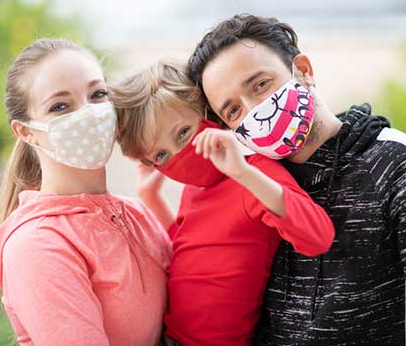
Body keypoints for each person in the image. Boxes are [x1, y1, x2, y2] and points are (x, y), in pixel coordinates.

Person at [187, 14, 406, 345]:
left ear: (303, 70)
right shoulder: (254, 189)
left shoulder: (398, 164)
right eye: (233, 111)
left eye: (260, 85)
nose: (254, 111)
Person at [109, 61, 334, 346]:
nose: (179, 155)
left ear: (210, 117)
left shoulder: (254, 173)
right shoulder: (195, 190)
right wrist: (152, 198)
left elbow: (318, 236)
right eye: (161, 155)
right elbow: (188, 254)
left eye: (183, 133)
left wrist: (242, 172)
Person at [0, 38, 171, 346]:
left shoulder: (136, 214)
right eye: (60, 106)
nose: (90, 113)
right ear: (27, 132)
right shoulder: (39, 244)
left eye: (98, 95)